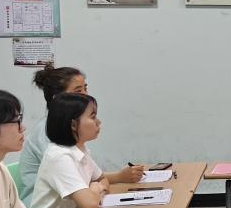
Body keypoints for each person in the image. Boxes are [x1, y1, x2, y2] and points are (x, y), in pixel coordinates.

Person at [19, 63, 141, 197]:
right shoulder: (49, 133)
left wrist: (112, 179)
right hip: (43, 205)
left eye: (85, 88)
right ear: (58, 99)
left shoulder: (69, 130)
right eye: (78, 91)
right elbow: (78, 180)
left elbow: (91, 176)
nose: (85, 95)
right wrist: (118, 177)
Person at [28, 93, 110, 208]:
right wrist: (95, 189)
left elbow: (102, 179)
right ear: (73, 125)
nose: (98, 122)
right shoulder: (59, 156)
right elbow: (91, 204)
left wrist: (95, 189)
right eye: (93, 117)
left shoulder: (79, 149)